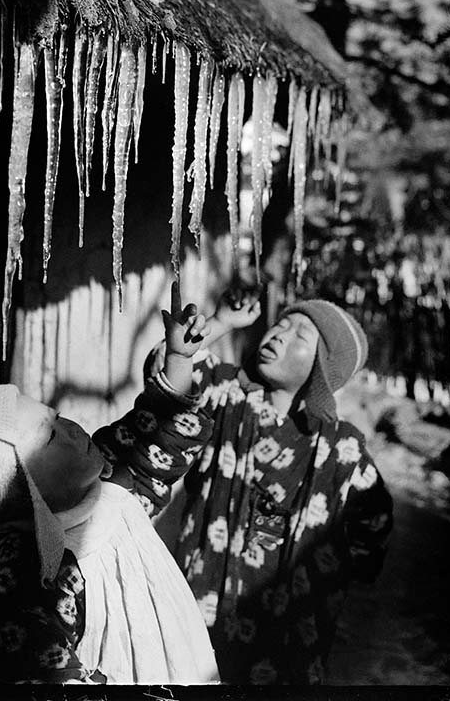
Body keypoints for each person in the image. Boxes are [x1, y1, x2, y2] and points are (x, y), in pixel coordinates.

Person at [0, 284, 220, 685]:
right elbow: (38, 665)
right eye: (51, 436)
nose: (71, 429)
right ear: (30, 490)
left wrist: (178, 358)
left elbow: (160, 429)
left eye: (57, 417)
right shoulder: (23, 560)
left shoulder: (107, 475)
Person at [146, 287, 393, 685]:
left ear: (323, 370)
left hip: (290, 642)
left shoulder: (342, 451)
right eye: (281, 322)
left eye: (300, 335)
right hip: (198, 617)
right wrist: (219, 324)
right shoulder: (226, 396)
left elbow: (373, 531)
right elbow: (171, 389)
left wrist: (325, 572)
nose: (278, 334)